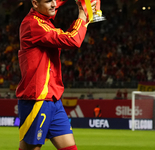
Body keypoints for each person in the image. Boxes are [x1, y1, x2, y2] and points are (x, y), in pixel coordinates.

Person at [15, 0, 96, 150]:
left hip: (53, 99)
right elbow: (72, 39)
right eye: (48, 1)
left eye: (54, 0)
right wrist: (83, 14)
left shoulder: (44, 19)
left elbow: (55, 3)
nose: (54, 4)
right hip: (37, 99)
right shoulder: (33, 25)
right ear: (34, 3)